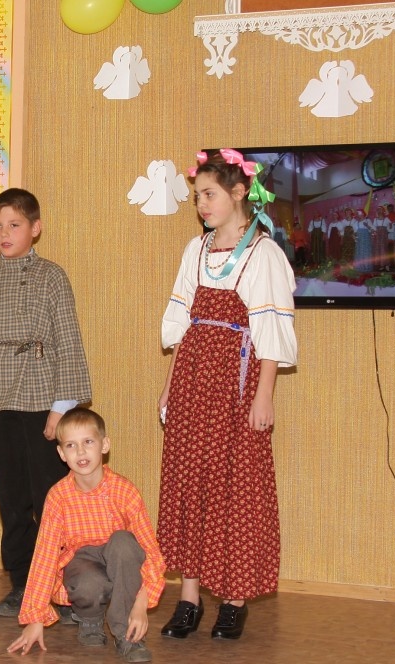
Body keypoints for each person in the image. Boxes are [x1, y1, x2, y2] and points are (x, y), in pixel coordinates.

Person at [157, 150, 297, 641]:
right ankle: (189, 599)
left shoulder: (263, 253)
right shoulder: (195, 250)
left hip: (236, 387)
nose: (201, 204)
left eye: (209, 194)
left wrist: (264, 395)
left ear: (238, 193)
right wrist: (170, 385)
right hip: (193, 381)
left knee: (234, 488)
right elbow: (183, 322)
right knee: (190, 483)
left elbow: (271, 331)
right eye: (197, 196)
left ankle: (233, 602)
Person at [0, 187, 92, 618]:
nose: (5, 234)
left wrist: (61, 407)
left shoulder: (52, 277)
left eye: (14, 225)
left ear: (36, 228)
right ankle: (22, 583)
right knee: (12, 500)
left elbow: (68, 340)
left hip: (42, 399)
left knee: (50, 498)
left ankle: (63, 587)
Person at [6, 408, 165, 663]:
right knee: (85, 577)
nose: (80, 452)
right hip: (84, 566)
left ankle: (127, 633)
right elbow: (45, 557)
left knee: (123, 542)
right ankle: (89, 618)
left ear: (104, 445)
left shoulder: (124, 491)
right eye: (71, 445)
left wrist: (141, 604)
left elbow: (150, 552)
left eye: (88, 442)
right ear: (61, 454)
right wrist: (35, 618)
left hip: (122, 567)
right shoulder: (58, 497)